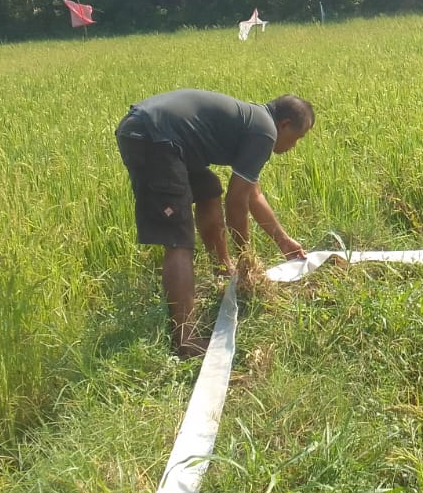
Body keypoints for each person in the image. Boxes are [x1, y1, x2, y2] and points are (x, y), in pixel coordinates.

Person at [116, 89, 314, 357]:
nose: (294, 146)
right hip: (153, 138)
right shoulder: (265, 131)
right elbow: (236, 204)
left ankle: (222, 268)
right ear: (285, 125)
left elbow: (252, 194)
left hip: (159, 135)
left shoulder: (257, 122)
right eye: (297, 138)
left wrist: (283, 241)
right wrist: (247, 259)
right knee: (179, 240)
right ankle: (185, 339)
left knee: (208, 188)